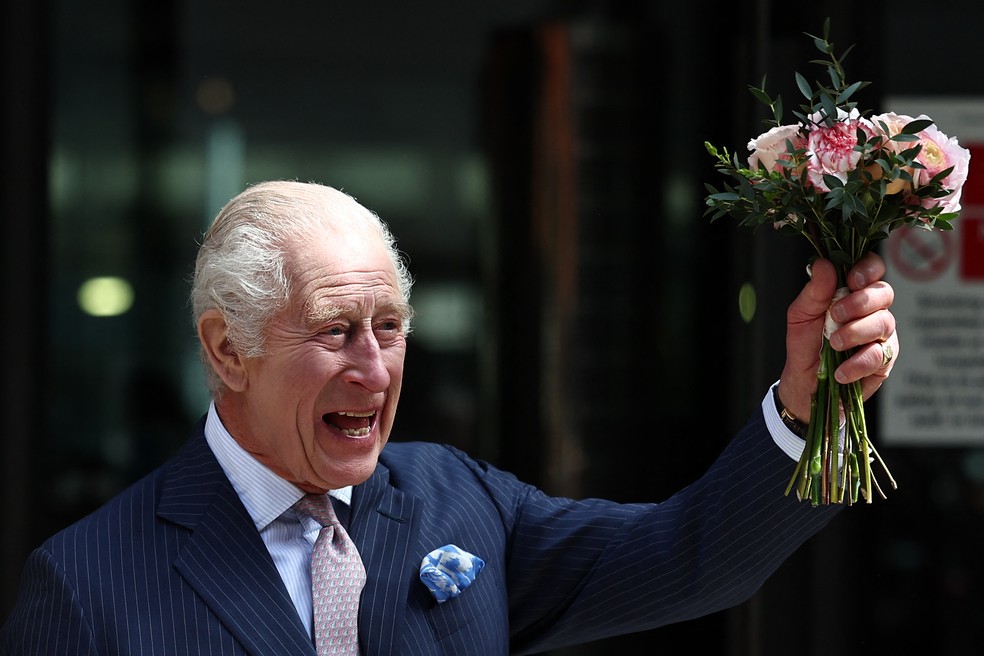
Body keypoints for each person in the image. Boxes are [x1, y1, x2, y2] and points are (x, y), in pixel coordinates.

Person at [0, 180, 900, 655]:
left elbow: (693, 556)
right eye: (335, 331)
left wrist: (809, 410)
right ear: (228, 350)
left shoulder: (455, 500)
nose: (374, 367)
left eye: (389, 327)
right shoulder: (87, 587)